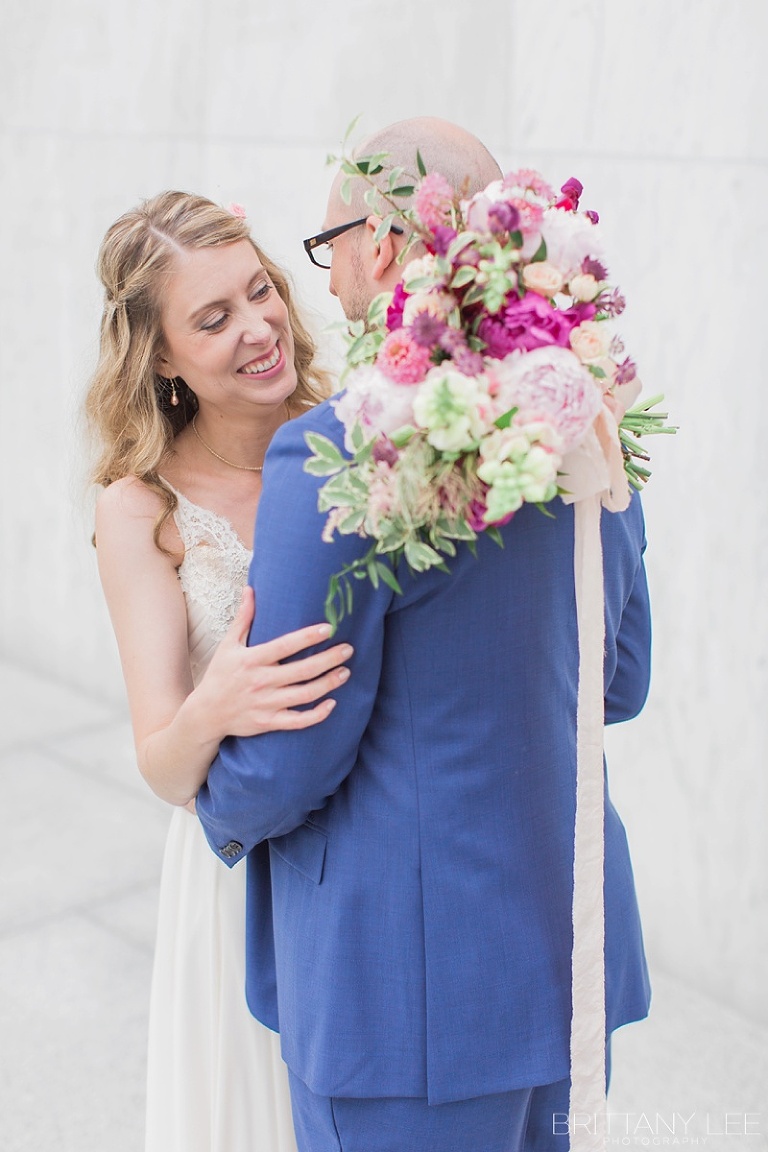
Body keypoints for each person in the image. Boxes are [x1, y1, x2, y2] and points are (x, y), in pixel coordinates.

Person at [196, 117, 652, 1152]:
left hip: (404, 995)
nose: (331, 287)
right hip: (566, 953)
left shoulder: (336, 448)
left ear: (384, 244)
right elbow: (618, 680)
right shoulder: (583, 415)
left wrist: (202, 794)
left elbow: (292, 745)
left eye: (328, 252)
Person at [86, 190, 354, 1152]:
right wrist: (216, 704)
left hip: (361, 852)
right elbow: (161, 762)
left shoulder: (350, 439)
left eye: (260, 291)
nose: (259, 327)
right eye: (214, 316)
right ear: (158, 355)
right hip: (236, 877)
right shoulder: (141, 510)